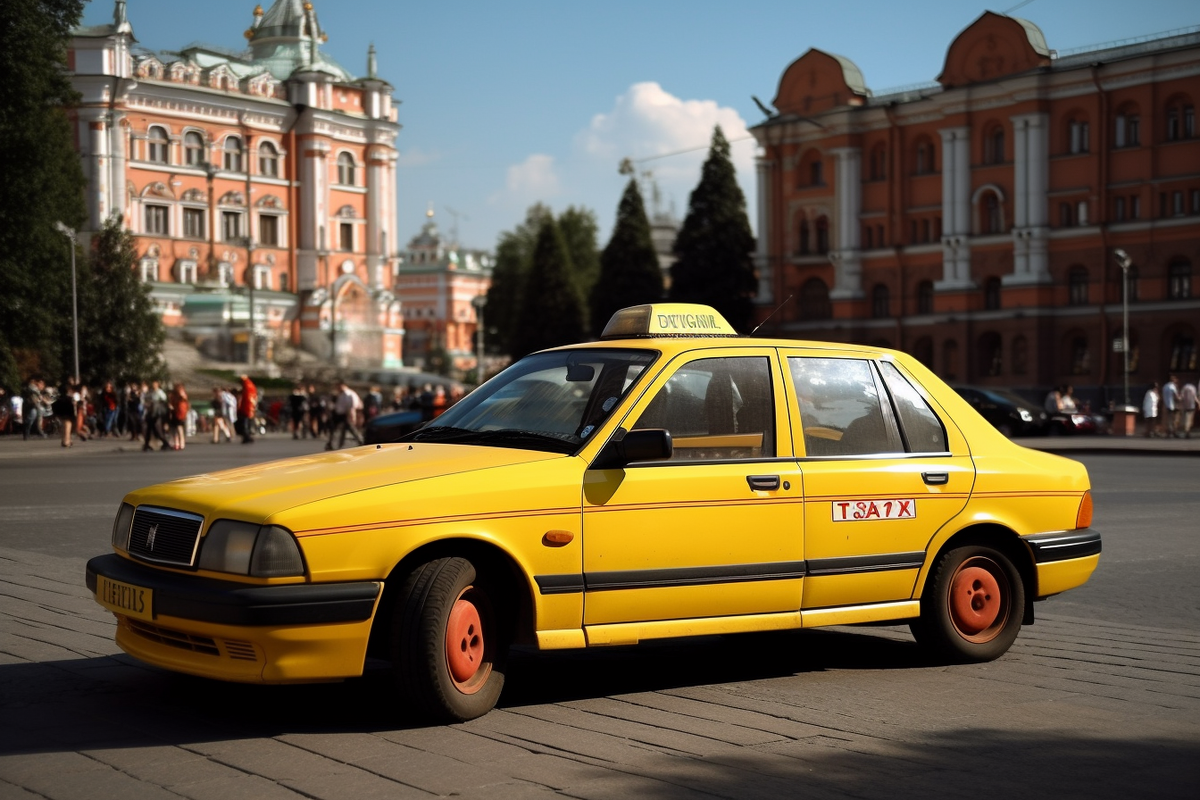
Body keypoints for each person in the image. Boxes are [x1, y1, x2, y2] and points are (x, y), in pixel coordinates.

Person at [325, 380, 364, 450]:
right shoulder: (341, 394)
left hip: (345, 414)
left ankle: (360, 441)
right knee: (337, 429)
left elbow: (351, 406)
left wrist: (351, 415)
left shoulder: (348, 394)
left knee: (350, 429)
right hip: (339, 414)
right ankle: (335, 444)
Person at [142, 380, 171, 451]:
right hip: (150, 414)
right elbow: (145, 401)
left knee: (158, 430)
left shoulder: (159, 392)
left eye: (155, 384)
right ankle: (146, 444)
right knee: (147, 429)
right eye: (153, 384)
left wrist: (156, 404)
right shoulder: (150, 392)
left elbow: (164, 400)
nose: (153, 385)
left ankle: (165, 443)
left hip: (156, 414)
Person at [51, 383, 76, 448]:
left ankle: (65, 439)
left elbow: (52, 402)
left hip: (59, 412)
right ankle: (66, 441)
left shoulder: (57, 398)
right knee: (68, 425)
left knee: (63, 426)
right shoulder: (70, 398)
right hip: (68, 412)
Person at [237, 374, 258, 444]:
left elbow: (247, 397)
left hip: (246, 408)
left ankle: (247, 436)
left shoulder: (247, 385)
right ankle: (247, 436)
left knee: (245, 423)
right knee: (247, 422)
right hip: (249, 407)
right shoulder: (250, 385)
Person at [168, 382, 189, 450]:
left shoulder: (180, 395)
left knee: (178, 428)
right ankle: (177, 443)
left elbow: (184, 400)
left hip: (178, 412)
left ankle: (180, 443)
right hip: (176, 412)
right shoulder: (174, 395)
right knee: (176, 429)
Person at [1162, 374, 1181, 438]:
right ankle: (1173, 432)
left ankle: (1168, 432)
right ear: (1173, 380)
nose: (1176, 380)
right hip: (1173, 405)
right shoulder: (1173, 386)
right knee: (1174, 419)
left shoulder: (1165, 386)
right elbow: (1176, 396)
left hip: (1166, 404)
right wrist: (1180, 398)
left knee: (1168, 419)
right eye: (1175, 379)